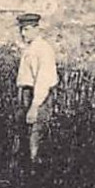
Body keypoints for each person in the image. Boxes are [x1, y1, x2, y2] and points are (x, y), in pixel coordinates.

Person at [15, 11, 57, 171]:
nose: (23, 33)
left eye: (26, 29)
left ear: (36, 29)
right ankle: (26, 177)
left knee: (35, 138)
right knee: (24, 137)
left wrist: (34, 106)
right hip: (25, 95)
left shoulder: (43, 49)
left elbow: (43, 81)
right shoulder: (30, 48)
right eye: (21, 30)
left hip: (37, 97)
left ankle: (37, 180)